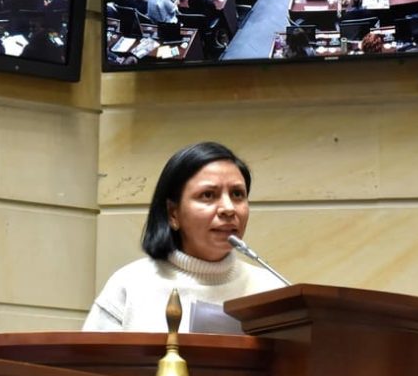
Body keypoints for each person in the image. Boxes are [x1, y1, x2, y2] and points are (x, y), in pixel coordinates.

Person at [82, 142, 284, 332]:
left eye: (237, 195)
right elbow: (88, 364)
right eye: (208, 195)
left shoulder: (271, 290)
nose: (229, 209)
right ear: (173, 213)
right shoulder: (131, 284)